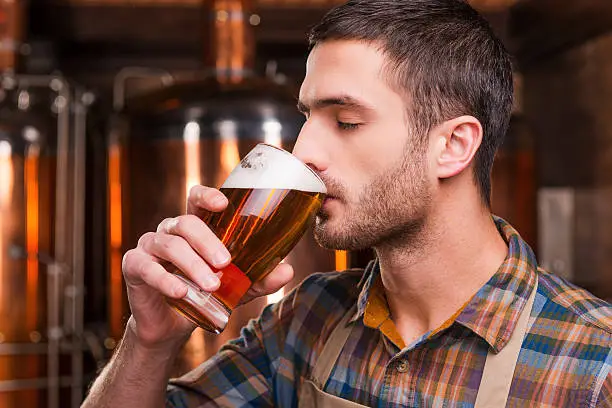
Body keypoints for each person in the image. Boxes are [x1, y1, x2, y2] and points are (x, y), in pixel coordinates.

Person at [82, 0, 612, 406]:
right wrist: (149, 341)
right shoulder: (303, 320)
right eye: (307, 118)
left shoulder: (594, 363)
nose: (304, 150)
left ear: (453, 146)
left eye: (347, 121)